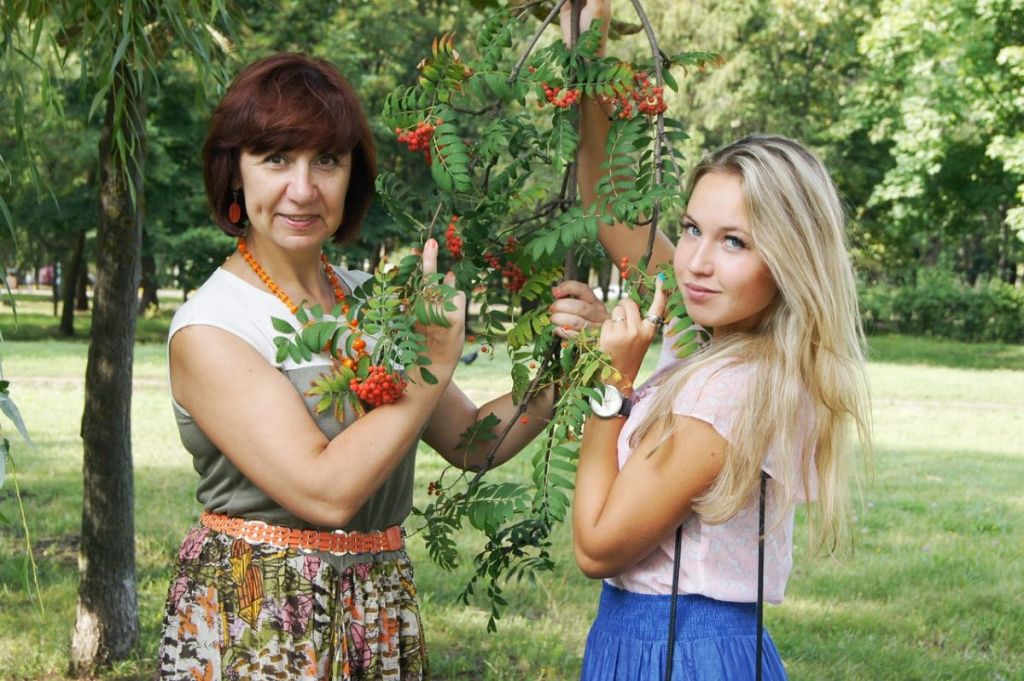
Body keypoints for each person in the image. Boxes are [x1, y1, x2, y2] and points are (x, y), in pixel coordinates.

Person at [156, 53, 597, 680]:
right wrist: (428, 369)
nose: (303, 189)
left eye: (327, 161)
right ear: (235, 175)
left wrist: (566, 371)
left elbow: (473, 444)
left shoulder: (370, 299)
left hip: (375, 605)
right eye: (276, 158)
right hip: (260, 616)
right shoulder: (212, 326)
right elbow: (325, 492)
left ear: (351, 178)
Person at [549, 3, 873, 679]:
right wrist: (587, 49)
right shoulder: (718, 341)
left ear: (790, 260)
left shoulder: (728, 388)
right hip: (667, 640)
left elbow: (598, 546)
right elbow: (612, 208)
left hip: (676, 649)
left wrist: (610, 388)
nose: (695, 262)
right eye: (693, 228)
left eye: (734, 241)